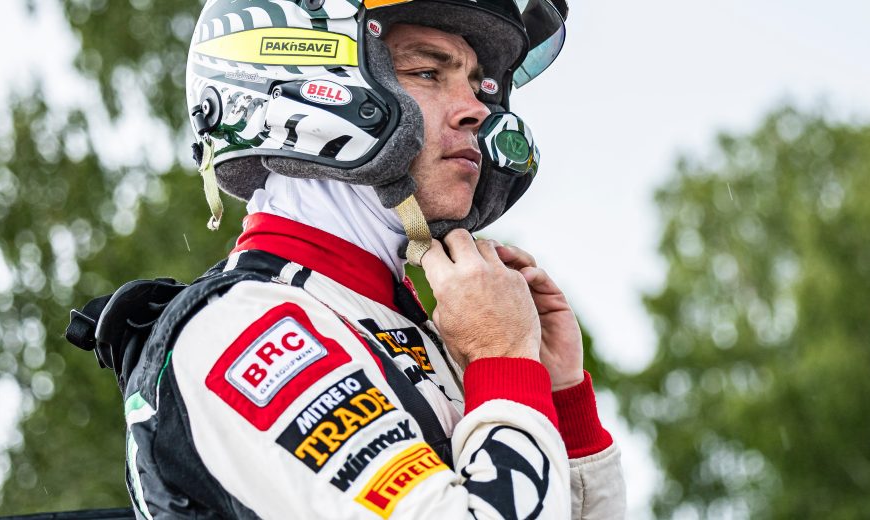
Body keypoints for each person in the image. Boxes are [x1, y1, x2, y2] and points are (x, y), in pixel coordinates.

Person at [68, 0, 625, 517]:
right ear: (307, 86)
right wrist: (501, 359)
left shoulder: (394, 323)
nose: (477, 109)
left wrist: (559, 402)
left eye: (478, 84)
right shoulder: (247, 332)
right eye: (428, 73)